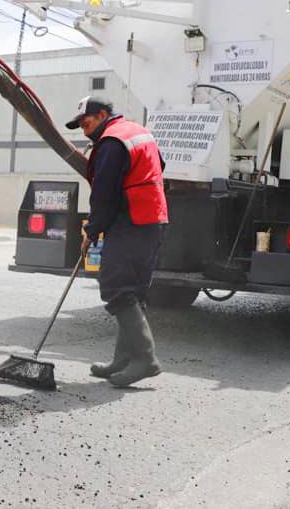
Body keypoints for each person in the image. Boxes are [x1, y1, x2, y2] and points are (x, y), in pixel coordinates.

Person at [65, 95, 168, 387]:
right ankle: (124, 359)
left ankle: (146, 359)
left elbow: (104, 192)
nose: (84, 130)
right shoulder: (138, 131)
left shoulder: (111, 142)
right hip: (153, 219)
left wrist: (92, 229)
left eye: (85, 122)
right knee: (133, 290)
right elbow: (160, 165)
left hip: (131, 221)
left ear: (101, 114)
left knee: (115, 286)